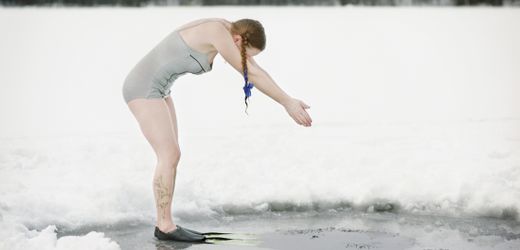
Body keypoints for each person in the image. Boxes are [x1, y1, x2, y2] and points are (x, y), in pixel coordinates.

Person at [122, 17, 312, 242]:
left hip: (161, 89)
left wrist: (288, 98)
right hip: (143, 88)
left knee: (173, 155)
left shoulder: (228, 30)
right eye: (247, 52)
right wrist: (286, 103)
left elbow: (256, 69)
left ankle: (165, 224)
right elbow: (251, 73)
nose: (247, 58)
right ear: (238, 39)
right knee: (169, 155)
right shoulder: (217, 31)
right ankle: (164, 226)